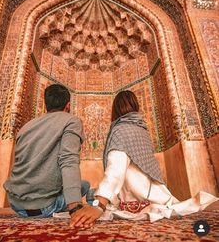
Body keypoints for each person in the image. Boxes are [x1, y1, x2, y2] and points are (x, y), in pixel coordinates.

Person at [70, 90, 218, 227]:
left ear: (115, 110)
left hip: (135, 200)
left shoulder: (121, 129)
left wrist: (99, 205)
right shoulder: (143, 130)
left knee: (92, 195)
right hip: (157, 195)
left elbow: (116, 168)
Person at [4, 84, 90, 218]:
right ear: (67, 106)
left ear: (46, 106)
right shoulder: (71, 121)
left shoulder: (26, 127)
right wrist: (75, 206)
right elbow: (68, 160)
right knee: (84, 185)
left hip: (15, 203)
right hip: (43, 207)